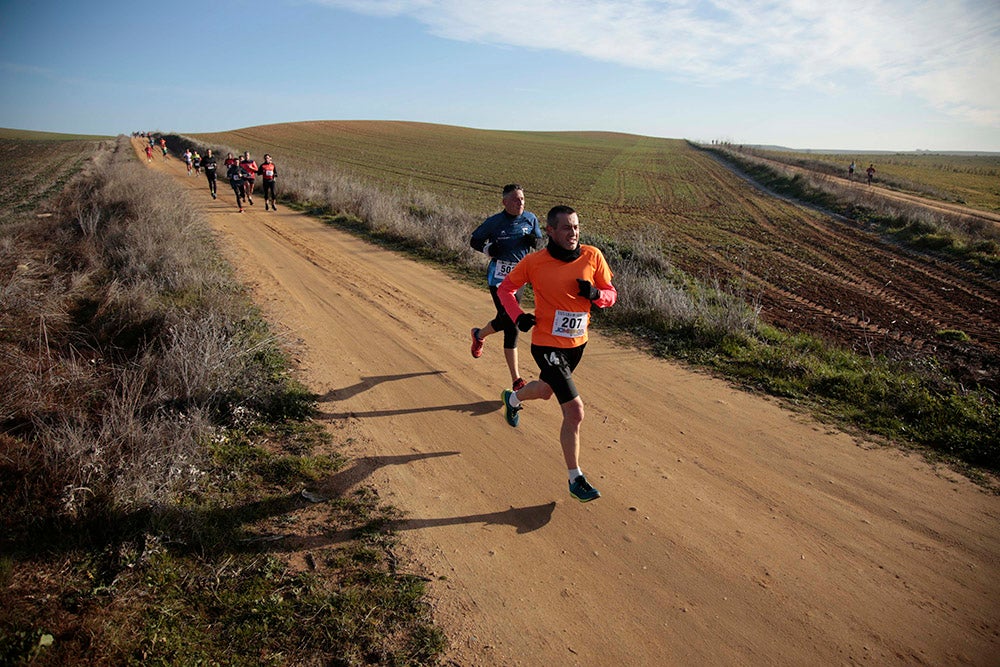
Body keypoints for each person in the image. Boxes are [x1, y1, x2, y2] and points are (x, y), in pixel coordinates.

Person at [496, 205, 617, 502]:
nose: (573, 233)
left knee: (546, 391)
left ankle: (513, 399)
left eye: (576, 227)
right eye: (566, 228)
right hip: (546, 344)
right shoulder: (534, 262)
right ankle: (575, 479)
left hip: (577, 344)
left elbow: (611, 293)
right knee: (575, 411)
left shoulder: (592, 256)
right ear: (550, 230)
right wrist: (517, 316)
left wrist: (596, 295)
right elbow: (505, 290)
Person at [469, 184, 543, 391]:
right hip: (498, 278)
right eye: (515, 200)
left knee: (506, 318)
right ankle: (516, 380)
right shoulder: (494, 222)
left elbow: (538, 240)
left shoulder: (530, 218)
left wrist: (534, 241)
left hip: (519, 278)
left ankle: (479, 335)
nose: (520, 203)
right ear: (505, 202)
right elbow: (474, 241)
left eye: (522, 199)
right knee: (511, 323)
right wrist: (488, 248)